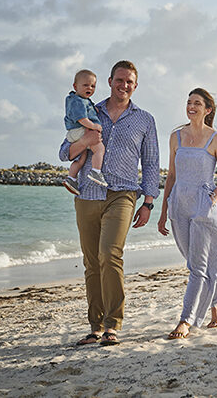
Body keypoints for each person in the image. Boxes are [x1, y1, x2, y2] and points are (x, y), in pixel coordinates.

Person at [59, 60, 159, 347]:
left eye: (129, 81)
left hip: (123, 194)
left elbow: (151, 163)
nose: (124, 85)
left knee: (109, 254)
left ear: (135, 86)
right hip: (88, 193)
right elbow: (65, 152)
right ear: (110, 81)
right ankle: (96, 327)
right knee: (91, 263)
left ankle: (113, 325)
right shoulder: (89, 108)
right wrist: (87, 140)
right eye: (119, 80)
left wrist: (148, 202)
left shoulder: (145, 120)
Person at [157, 88, 217, 338]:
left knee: (197, 268)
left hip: (203, 206)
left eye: (197, 103)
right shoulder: (176, 137)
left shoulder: (216, 138)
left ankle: (186, 321)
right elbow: (172, 176)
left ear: (207, 109)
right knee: (193, 263)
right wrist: (163, 209)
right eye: (189, 102)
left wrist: (211, 201)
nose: (191, 106)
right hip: (179, 205)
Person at [61, 69, 107, 194]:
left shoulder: (83, 100)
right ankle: (96, 172)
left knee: (82, 158)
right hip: (80, 129)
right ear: (75, 86)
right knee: (99, 149)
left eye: (93, 86)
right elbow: (82, 118)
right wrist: (94, 126)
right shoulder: (77, 100)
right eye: (86, 85)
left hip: (75, 133)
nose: (90, 88)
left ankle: (71, 178)